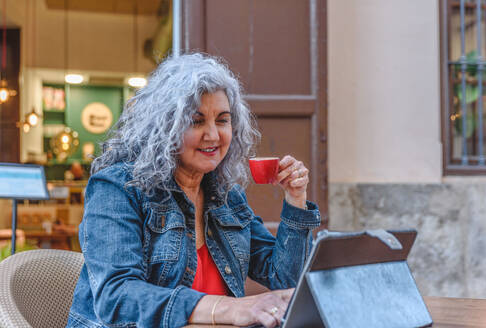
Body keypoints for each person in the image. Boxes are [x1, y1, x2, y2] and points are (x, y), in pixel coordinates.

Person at [66, 53, 321, 328]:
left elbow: (284, 280)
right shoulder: (118, 187)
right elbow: (117, 297)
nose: (213, 135)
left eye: (222, 120)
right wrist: (228, 308)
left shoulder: (225, 195)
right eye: (196, 121)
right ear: (164, 127)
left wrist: (295, 200)